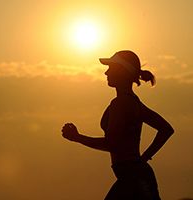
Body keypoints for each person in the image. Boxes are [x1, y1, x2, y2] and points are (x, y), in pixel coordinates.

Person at [61, 50, 174, 200]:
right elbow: (166, 129)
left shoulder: (120, 104)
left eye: (110, 68)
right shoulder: (134, 102)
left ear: (122, 71)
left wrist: (77, 137)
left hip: (132, 179)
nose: (106, 73)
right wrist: (143, 158)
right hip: (137, 176)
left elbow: (112, 144)